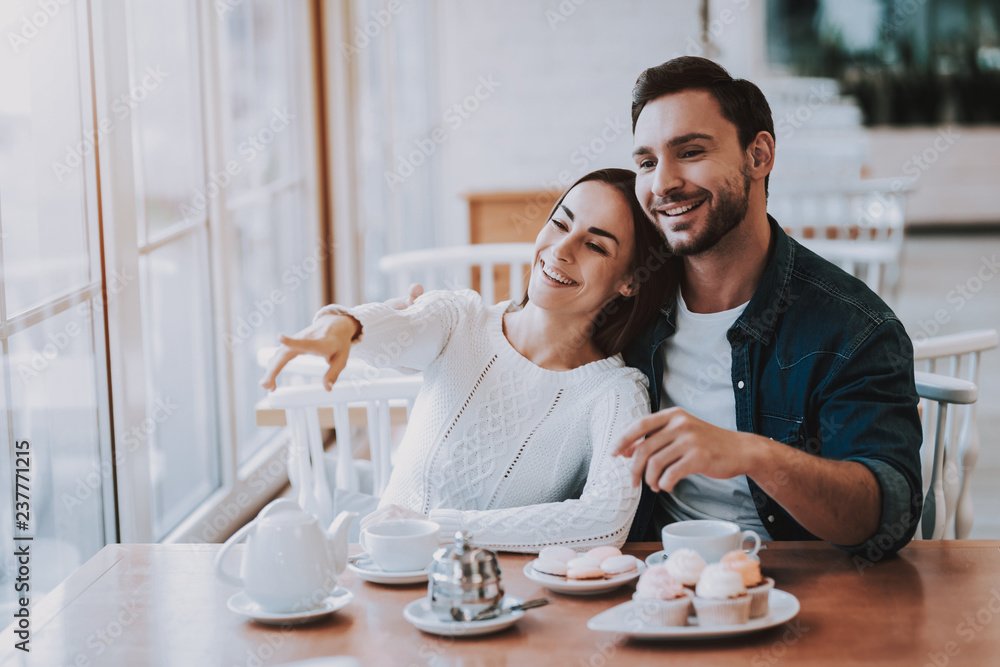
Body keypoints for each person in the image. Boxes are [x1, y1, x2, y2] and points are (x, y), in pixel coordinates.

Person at [260, 168, 678, 551]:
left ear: (628, 282)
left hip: (493, 604)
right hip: (379, 574)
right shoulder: (461, 318)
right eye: (560, 222)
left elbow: (604, 522)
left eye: (594, 245)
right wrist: (342, 323)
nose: (562, 249)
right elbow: (399, 326)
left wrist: (438, 529)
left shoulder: (616, 393)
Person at [612, 57, 922, 558]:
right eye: (646, 163)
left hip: (797, 595)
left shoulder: (854, 327)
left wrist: (752, 454)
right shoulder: (631, 304)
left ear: (758, 156)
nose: (662, 183)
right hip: (651, 584)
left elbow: (888, 514)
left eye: (690, 152)